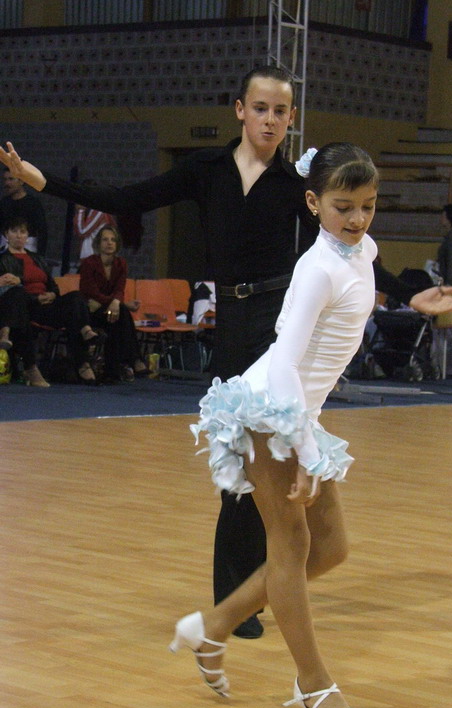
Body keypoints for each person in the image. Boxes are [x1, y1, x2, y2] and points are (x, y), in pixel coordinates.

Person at [0, 65, 317, 639]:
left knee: (270, 463)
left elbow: (343, 244)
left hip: (278, 326)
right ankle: (236, 599)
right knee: (237, 462)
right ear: (240, 110)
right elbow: (126, 198)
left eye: (280, 111)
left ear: (291, 119)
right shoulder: (206, 170)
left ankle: (251, 592)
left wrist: (400, 291)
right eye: (260, 108)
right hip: (232, 324)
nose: (270, 120)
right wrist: (42, 181)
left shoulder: (296, 185)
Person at [168, 143, 452, 708]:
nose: (357, 219)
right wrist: (303, 448)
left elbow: (365, 279)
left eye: (368, 205)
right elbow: (283, 364)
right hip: (270, 411)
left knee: (330, 549)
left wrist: (408, 298)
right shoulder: (315, 269)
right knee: (292, 543)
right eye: (343, 207)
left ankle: (213, 626)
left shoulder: (361, 251)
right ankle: (315, 686)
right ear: (313, 203)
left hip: (298, 413)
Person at [0, 217, 103, 385]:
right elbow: (9, 292)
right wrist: (35, 297)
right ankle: (33, 368)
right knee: (17, 295)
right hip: (26, 306)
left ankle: (85, 337)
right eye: (14, 231)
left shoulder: (38, 259)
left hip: (47, 304)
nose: (19, 235)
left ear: (27, 236)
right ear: (6, 234)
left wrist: (53, 295)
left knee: (76, 297)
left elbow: (53, 286)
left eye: (23, 232)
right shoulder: (3, 259)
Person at [79, 224, 148, 382]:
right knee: (121, 312)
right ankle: (133, 359)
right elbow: (90, 292)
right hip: (90, 312)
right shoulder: (89, 263)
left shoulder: (121, 263)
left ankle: (114, 370)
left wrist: (116, 303)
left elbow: (119, 289)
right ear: (98, 243)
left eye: (113, 240)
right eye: (105, 240)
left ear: (117, 244)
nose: (109, 243)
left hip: (109, 311)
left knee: (117, 317)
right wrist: (117, 303)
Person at [0, 167, 48, 255]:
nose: (7, 183)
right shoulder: (4, 203)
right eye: (5, 179)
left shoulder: (33, 204)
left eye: (11, 179)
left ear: (22, 181)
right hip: (5, 251)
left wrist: (40, 256)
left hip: (28, 251)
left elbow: (42, 231)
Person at [73, 187, 117, 261]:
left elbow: (82, 232)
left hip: (93, 256)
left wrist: (80, 210)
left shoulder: (99, 212)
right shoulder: (94, 211)